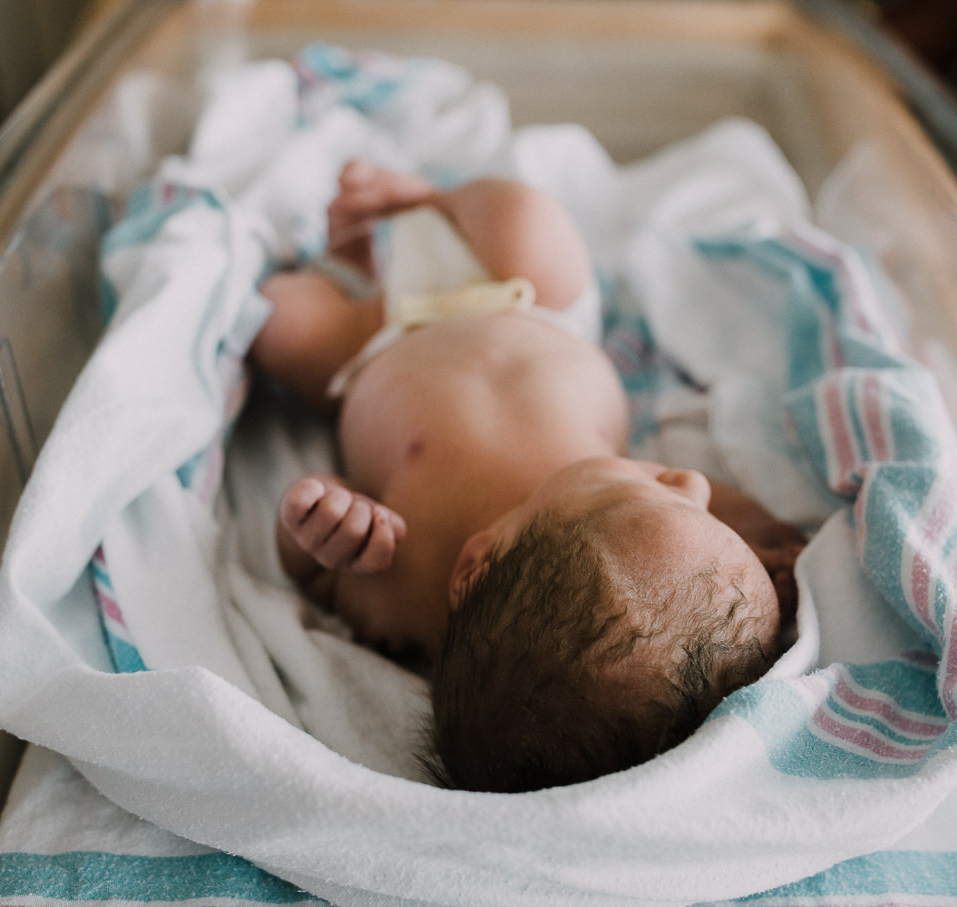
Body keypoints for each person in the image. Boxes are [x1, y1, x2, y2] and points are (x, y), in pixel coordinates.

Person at [254, 160, 806, 793]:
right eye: (706, 512)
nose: (693, 482)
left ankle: (347, 265)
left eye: (654, 489)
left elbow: (319, 579)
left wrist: (321, 528)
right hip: (533, 304)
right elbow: (700, 521)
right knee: (525, 219)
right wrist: (769, 534)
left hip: (376, 341)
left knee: (277, 319)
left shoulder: (409, 580)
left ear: (474, 566)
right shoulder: (659, 523)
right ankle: (431, 199)